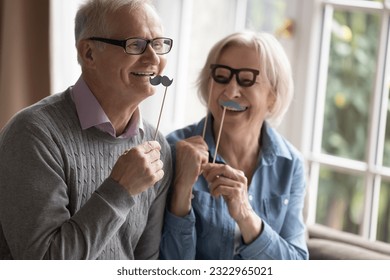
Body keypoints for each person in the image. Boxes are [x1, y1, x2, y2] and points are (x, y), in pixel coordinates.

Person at [0, 0, 173, 260]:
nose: (154, 58)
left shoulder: (157, 145)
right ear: (89, 53)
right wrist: (120, 190)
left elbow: (145, 263)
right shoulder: (34, 134)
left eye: (158, 44)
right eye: (136, 44)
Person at [160, 31, 308, 260]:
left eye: (247, 79)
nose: (230, 91)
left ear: (274, 95)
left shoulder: (290, 165)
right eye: (221, 76)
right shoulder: (173, 148)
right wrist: (181, 191)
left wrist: (246, 215)